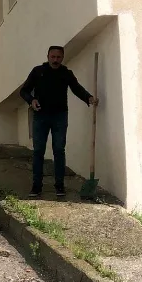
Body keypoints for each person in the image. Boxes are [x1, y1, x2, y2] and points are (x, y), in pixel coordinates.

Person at [20, 46, 99, 198]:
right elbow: (24, 91)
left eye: (58, 57)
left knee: (59, 150)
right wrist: (32, 100)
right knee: (38, 151)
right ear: (48, 56)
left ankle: (60, 186)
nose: (55, 60)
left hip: (60, 117)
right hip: (40, 116)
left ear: (62, 58)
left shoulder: (66, 73)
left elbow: (76, 88)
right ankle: (36, 186)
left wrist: (88, 98)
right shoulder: (37, 71)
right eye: (53, 57)